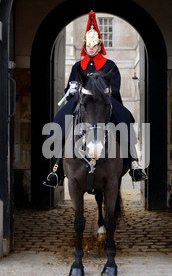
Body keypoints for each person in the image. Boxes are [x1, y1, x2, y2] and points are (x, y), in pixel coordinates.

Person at [43, 11, 147, 188]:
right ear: (85, 46)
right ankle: (57, 169)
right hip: (83, 100)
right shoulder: (78, 66)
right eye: (88, 46)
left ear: (99, 46)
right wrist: (73, 89)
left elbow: (115, 85)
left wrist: (103, 90)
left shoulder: (109, 65)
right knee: (61, 120)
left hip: (105, 100)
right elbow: (69, 86)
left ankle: (134, 163)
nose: (91, 48)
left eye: (94, 45)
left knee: (124, 119)